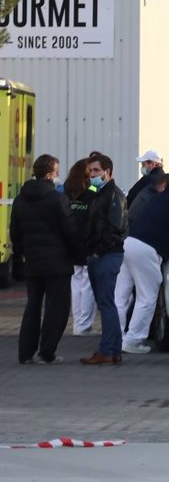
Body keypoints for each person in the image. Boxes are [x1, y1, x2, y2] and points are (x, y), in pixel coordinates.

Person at [10, 153, 77, 364]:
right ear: (49, 175)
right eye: (56, 172)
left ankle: (25, 353)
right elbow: (70, 231)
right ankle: (47, 352)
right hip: (58, 263)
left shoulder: (21, 200)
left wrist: (23, 255)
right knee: (56, 309)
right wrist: (77, 255)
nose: (58, 175)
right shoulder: (58, 199)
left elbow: (15, 232)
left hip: (33, 262)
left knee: (32, 306)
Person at [114, 171, 169, 354]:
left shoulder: (157, 198)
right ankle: (133, 340)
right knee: (147, 297)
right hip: (148, 250)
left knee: (121, 295)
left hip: (129, 243)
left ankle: (114, 337)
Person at [81, 152, 128, 365]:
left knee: (106, 303)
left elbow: (114, 228)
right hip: (98, 253)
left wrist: (98, 250)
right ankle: (113, 350)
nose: (92, 175)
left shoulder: (113, 195)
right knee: (105, 303)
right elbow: (81, 205)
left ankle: (107, 350)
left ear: (107, 172)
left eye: (96, 171)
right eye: (90, 171)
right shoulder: (98, 192)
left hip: (107, 254)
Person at [64, 158, 97, 335]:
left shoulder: (68, 187)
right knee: (87, 284)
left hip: (70, 240)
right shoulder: (90, 190)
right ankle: (84, 325)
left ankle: (78, 323)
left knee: (75, 283)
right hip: (86, 239)